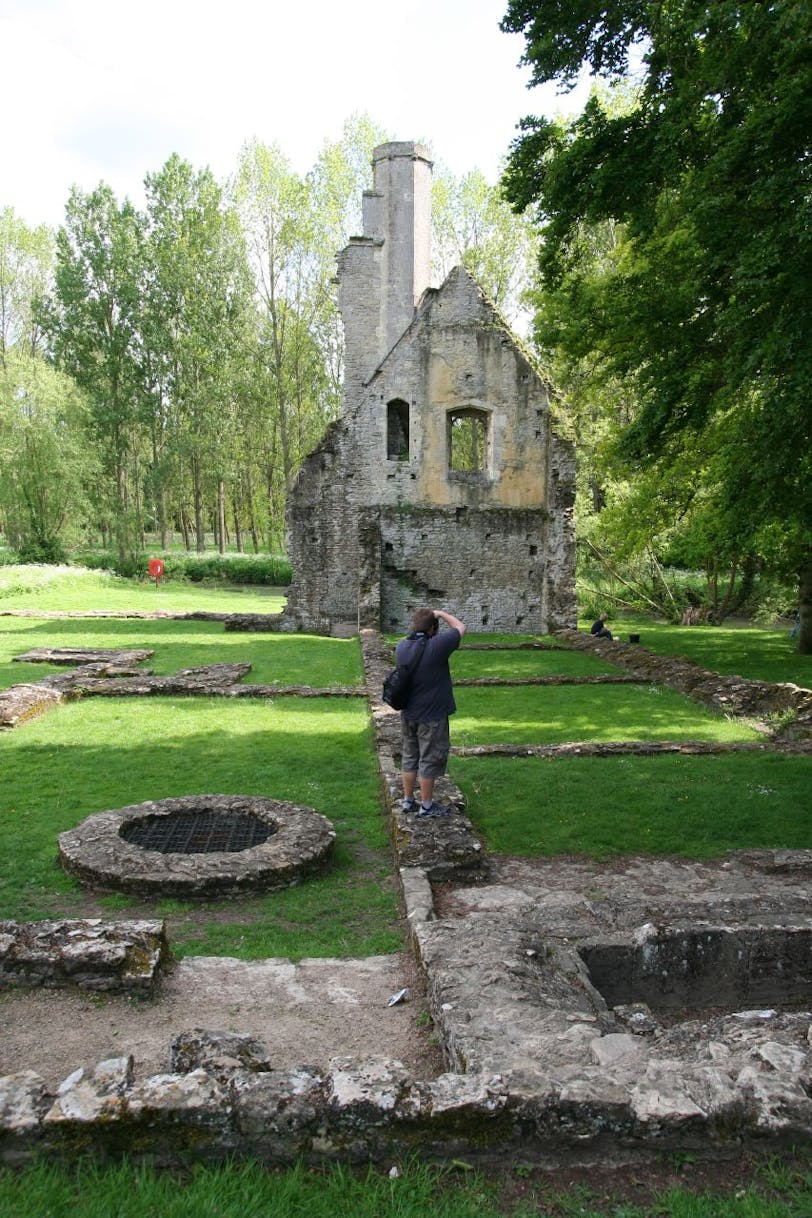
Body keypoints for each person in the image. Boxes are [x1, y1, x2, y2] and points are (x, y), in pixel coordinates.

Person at [397, 607, 466, 818]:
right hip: (432, 715)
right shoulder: (437, 646)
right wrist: (441, 613)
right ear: (433, 628)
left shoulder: (402, 646)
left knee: (409, 757)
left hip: (408, 713)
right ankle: (426, 806)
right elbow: (461, 627)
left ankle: (408, 801)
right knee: (429, 759)